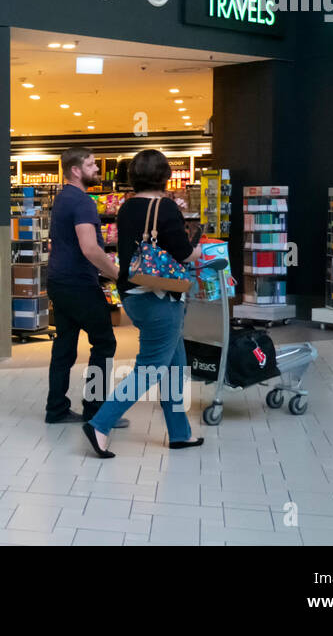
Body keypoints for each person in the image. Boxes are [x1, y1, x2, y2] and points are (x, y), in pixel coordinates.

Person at [81, 149, 204, 459]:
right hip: (161, 297)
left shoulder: (126, 208)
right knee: (149, 368)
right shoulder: (166, 208)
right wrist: (199, 250)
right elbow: (183, 253)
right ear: (165, 175)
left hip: (134, 292)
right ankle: (100, 424)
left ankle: (179, 433)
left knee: (175, 364)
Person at [45, 147, 127, 427]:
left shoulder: (63, 198)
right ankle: (96, 412)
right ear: (76, 170)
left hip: (58, 280)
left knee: (65, 345)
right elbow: (90, 248)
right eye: (91, 165)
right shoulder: (82, 202)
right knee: (104, 343)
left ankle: (55, 409)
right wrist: (117, 274)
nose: (97, 169)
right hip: (79, 284)